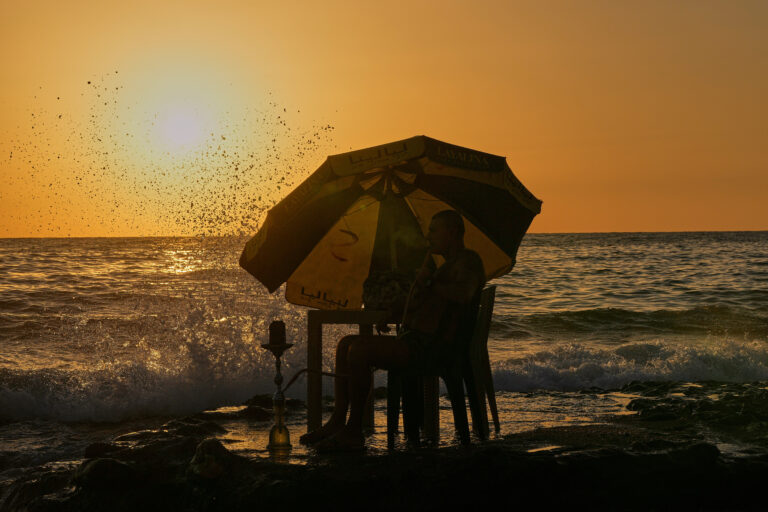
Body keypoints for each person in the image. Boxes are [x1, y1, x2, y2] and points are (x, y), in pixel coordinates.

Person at [299, 210, 486, 451]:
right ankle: (338, 420)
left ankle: (354, 430)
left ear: (452, 232)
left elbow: (464, 294)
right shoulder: (444, 267)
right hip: (418, 340)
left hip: (432, 347)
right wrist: (395, 311)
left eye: (433, 230)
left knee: (360, 351)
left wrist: (430, 283)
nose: (428, 236)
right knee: (345, 344)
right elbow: (424, 305)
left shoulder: (468, 261)